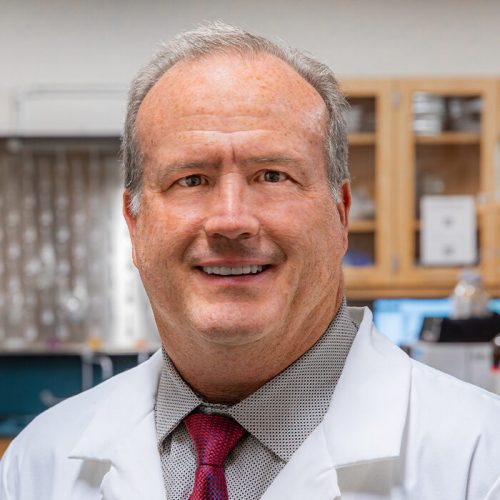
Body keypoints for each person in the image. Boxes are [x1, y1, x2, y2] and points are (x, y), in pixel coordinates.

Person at [1, 22, 500, 500]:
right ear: (135, 226)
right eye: (191, 179)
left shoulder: (480, 463)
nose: (230, 220)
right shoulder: (37, 466)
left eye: (272, 175)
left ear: (340, 215)